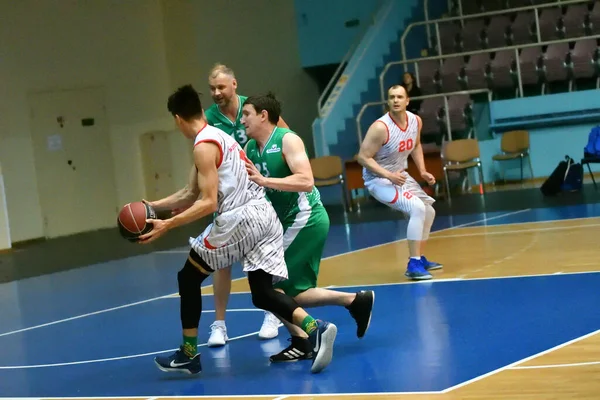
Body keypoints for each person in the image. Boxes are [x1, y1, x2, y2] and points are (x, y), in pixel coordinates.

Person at [140, 84, 337, 375]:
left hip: (240, 219)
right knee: (261, 292)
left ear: (178, 119)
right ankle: (315, 328)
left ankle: (189, 353)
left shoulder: (203, 145)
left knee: (188, 277)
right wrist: (151, 208)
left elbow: (207, 203)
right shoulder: (219, 136)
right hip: (264, 217)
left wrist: (168, 224)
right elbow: (188, 193)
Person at [240, 93, 375, 362]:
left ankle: (306, 337)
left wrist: (265, 181)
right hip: (286, 223)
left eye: (247, 114)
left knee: (266, 287)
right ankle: (354, 302)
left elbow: (306, 180)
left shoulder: (287, 140)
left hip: (306, 217)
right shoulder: (251, 149)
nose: (242, 120)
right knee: (291, 294)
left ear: (263, 115)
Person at [204, 63, 289, 345]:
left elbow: (284, 136)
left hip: (257, 192)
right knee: (221, 259)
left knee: (263, 254)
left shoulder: (253, 109)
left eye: (220, 87)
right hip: (228, 195)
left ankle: (272, 312)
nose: (216, 93)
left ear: (234, 85)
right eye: (212, 88)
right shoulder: (209, 119)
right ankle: (219, 324)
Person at [357, 85, 442, 281]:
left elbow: (416, 145)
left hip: (399, 175)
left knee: (429, 211)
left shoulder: (415, 121)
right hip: (377, 180)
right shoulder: (380, 127)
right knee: (417, 208)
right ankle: (413, 264)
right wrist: (388, 175)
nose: (395, 100)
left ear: (407, 101)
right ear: (388, 101)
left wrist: (422, 171)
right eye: (391, 97)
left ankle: (419, 257)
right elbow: (362, 157)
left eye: (399, 97)